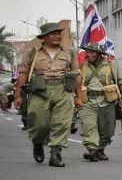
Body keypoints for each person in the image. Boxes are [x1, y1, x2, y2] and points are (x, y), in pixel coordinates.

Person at [14, 22, 82, 167]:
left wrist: (80, 97)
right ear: (44, 37)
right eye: (54, 33)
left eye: (59, 33)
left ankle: (55, 153)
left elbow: (77, 75)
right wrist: (18, 96)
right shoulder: (32, 53)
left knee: (62, 123)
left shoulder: (69, 53)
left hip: (64, 90)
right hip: (40, 90)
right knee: (40, 123)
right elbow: (23, 74)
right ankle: (38, 142)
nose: (58, 36)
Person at [79, 42, 122, 162]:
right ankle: (92, 149)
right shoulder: (82, 66)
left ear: (100, 54)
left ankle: (100, 149)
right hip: (87, 101)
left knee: (107, 129)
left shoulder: (111, 65)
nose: (89, 54)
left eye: (92, 52)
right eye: (88, 51)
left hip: (107, 101)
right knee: (88, 125)